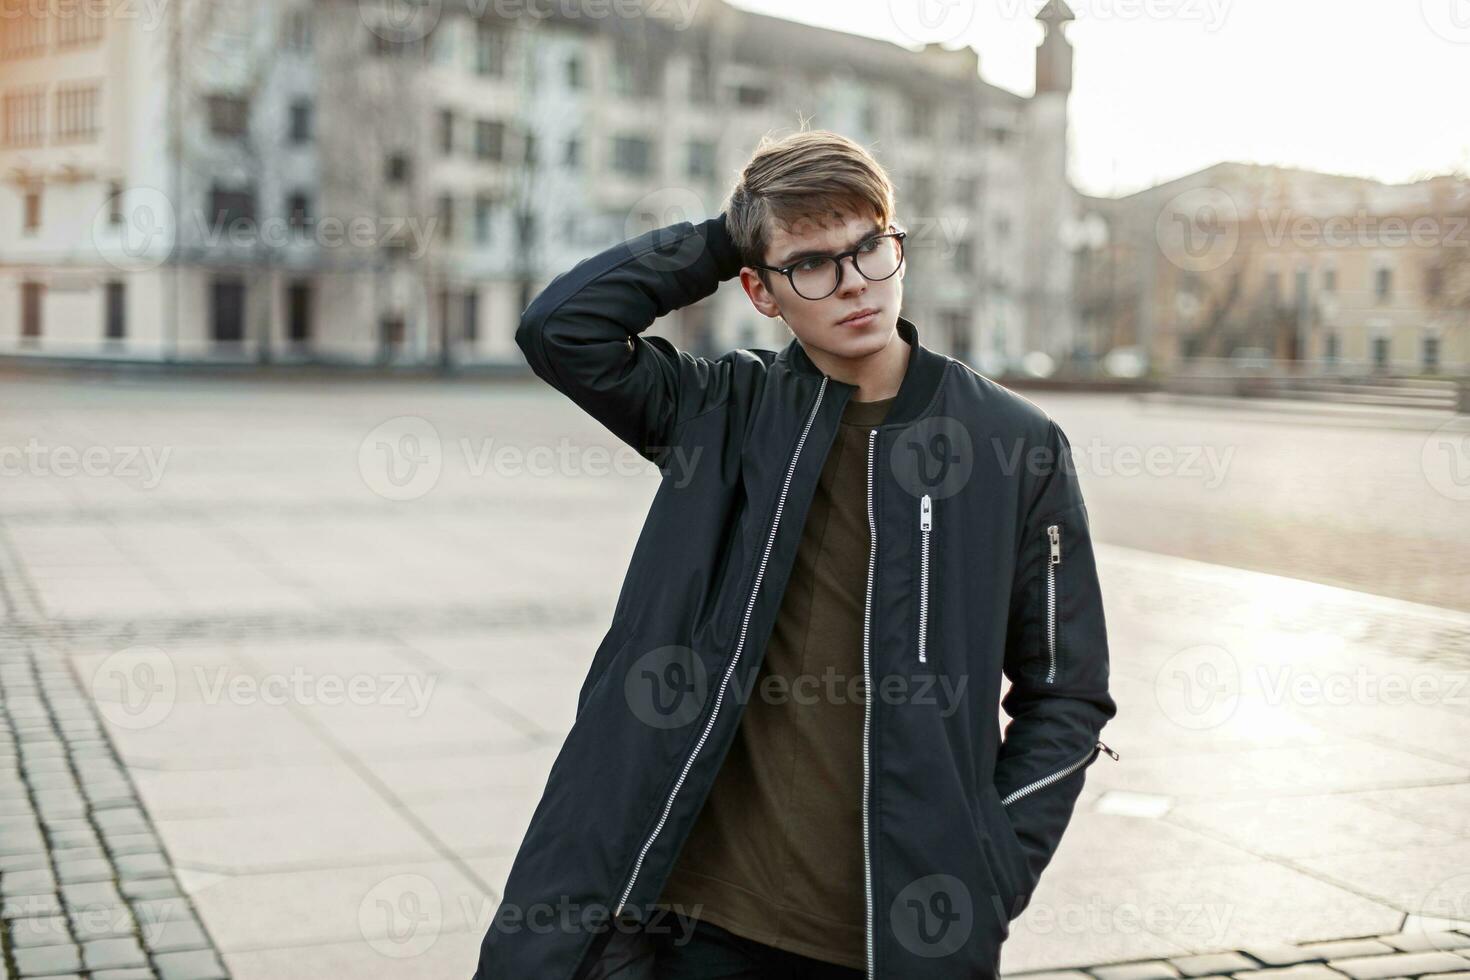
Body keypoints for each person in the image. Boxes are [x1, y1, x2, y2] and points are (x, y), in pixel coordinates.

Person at [472, 128, 1118, 980]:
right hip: (692, 916)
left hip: (890, 935)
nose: (853, 283)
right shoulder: (720, 410)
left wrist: (992, 867)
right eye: (811, 263)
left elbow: (1066, 694)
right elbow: (562, 328)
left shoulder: (1012, 443)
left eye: (869, 248)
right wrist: (722, 236)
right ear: (760, 289)